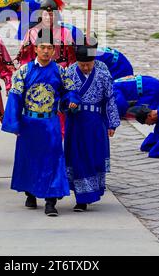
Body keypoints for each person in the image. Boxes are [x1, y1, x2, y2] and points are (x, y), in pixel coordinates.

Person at [2, 30, 80, 217]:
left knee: (53, 159)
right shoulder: (24, 71)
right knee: (29, 158)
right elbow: (15, 97)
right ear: (35, 49)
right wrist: (15, 124)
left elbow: (70, 90)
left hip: (50, 123)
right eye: (42, 47)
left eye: (49, 48)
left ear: (54, 50)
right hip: (29, 123)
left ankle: (50, 201)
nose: (46, 51)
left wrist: (71, 99)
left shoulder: (60, 72)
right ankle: (30, 192)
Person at [64, 38, 120, 211]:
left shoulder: (103, 74)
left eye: (89, 64)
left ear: (94, 61)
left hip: (95, 123)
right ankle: (81, 198)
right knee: (77, 157)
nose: (86, 68)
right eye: (82, 65)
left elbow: (110, 99)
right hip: (76, 122)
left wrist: (112, 123)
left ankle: (92, 192)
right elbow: (63, 94)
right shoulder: (70, 73)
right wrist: (68, 103)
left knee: (93, 156)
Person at [16, 0, 76, 68]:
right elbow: (24, 59)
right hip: (36, 71)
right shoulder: (31, 32)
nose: (48, 18)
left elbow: (72, 59)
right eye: (45, 15)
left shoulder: (66, 32)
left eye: (51, 15)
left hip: (59, 71)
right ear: (40, 15)